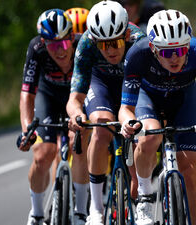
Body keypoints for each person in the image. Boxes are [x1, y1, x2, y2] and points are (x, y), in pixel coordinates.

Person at [118, 9, 196, 225]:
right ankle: (146, 197)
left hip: (184, 96)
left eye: (181, 49)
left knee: (190, 170)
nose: (175, 58)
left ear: (188, 44)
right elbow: (125, 107)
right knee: (148, 137)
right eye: (166, 52)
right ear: (154, 49)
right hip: (148, 97)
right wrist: (128, 123)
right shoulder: (137, 54)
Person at [66, 1, 146, 224]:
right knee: (101, 128)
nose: (110, 50)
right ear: (95, 41)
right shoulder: (86, 44)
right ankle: (96, 208)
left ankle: (140, 188)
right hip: (99, 84)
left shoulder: (138, 39)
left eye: (116, 42)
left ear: (126, 34)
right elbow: (75, 98)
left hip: (130, 86)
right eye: (103, 45)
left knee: (138, 132)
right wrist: (76, 115)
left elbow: (151, 89)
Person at [17, 8, 90, 225]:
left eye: (64, 44)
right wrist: (26, 129)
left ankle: (80, 213)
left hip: (77, 98)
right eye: (53, 45)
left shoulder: (83, 45)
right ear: (43, 42)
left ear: (71, 37)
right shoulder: (36, 48)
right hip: (48, 97)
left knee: (79, 146)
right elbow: (27, 94)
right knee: (42, 155)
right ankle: (37, 213)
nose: (60, 51)